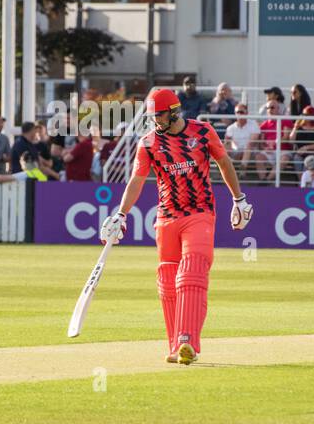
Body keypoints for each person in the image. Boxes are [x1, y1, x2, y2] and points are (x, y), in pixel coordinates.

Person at [99, 88, 252, 365]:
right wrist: (121, 214)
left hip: (199, 213)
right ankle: (174, 346)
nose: (155, 121)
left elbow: (224, 162)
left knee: (191, 272)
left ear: (173, 112)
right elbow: (136, 180)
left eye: (159, 115)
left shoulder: (202, 132)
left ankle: (187, 342)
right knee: (168, 281)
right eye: (152, 117)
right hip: (166, 218)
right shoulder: (147, 143)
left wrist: (238, 199)